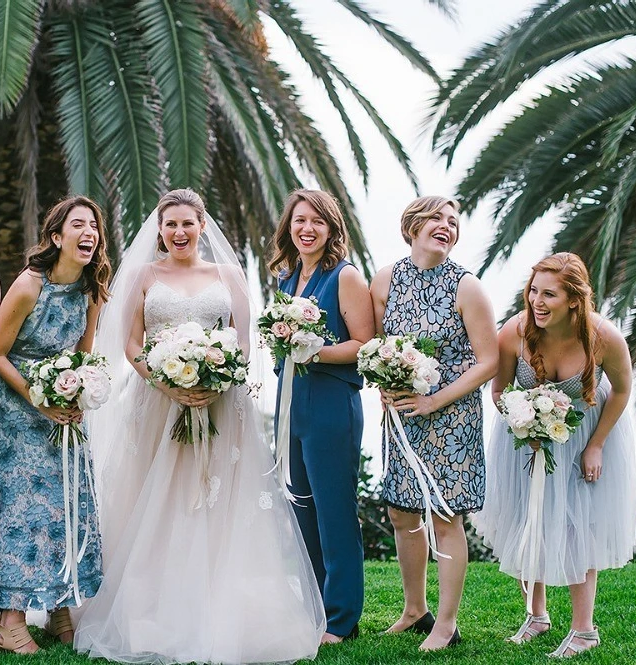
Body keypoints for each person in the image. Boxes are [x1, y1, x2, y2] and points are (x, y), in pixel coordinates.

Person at [74, 188, 325, 664]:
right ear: (160, 230)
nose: (179, 232)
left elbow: (245, 345)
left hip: (220, 405)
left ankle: (213, 607)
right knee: (158, 502)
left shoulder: (228, 276)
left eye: (187, 223)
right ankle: (154, 612)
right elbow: (131, 345)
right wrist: (167, 383)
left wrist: (214, 383)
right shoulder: (145, 276)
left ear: (202, 225)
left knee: (215, 503)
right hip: (157, 405)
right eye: (170, 224)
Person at [476, 252, 636, 658]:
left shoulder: (605, 338)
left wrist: (596, 444)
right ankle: (536, 615)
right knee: (525, 517)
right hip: (524, 438)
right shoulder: (514, 331)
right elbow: (498, 391)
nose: (537, 302)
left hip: (583, 435)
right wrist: (522, 424)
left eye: (549, 294)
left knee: (577, 524)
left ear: (574, 300)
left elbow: (621, 390)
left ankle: (584, 631)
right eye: (533, 291)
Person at [370, 196, 498, 650]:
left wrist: (434, 401)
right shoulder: (386, 278)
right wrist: (384, 384)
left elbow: (489, 361)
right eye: (437, 219)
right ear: (412, 226)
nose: (447, 226)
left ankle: (446, 624)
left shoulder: (467, 287)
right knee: (401, 510)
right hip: (402, 417)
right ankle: (414, 609)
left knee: (445, 515)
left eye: (453, 221)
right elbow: (379, 347)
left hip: (452, 417)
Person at [0, 196, 111, 654]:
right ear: (57, 237)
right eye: (78, 225)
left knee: (67, 504)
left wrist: (78, 391)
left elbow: (84, 352)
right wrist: (38, 399)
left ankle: (59, 603)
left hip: (64, 412)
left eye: (94, 226)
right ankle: (10, 621)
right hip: (19, 410)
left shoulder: (92, 287)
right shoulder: (28, 285)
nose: (89, 233)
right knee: (25, 511)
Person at [268, 189, 374, 643]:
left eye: (316, 221)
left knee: (333, 512)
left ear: (331, 228)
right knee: (301, 508)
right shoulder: (286, 279)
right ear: (288, 228)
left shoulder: (344, 276)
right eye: (299, 221)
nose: (306, 229)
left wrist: (313, 351)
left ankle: (341, 618)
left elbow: (364, 344)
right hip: (290, 400)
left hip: (332, 402)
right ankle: (313, 608)